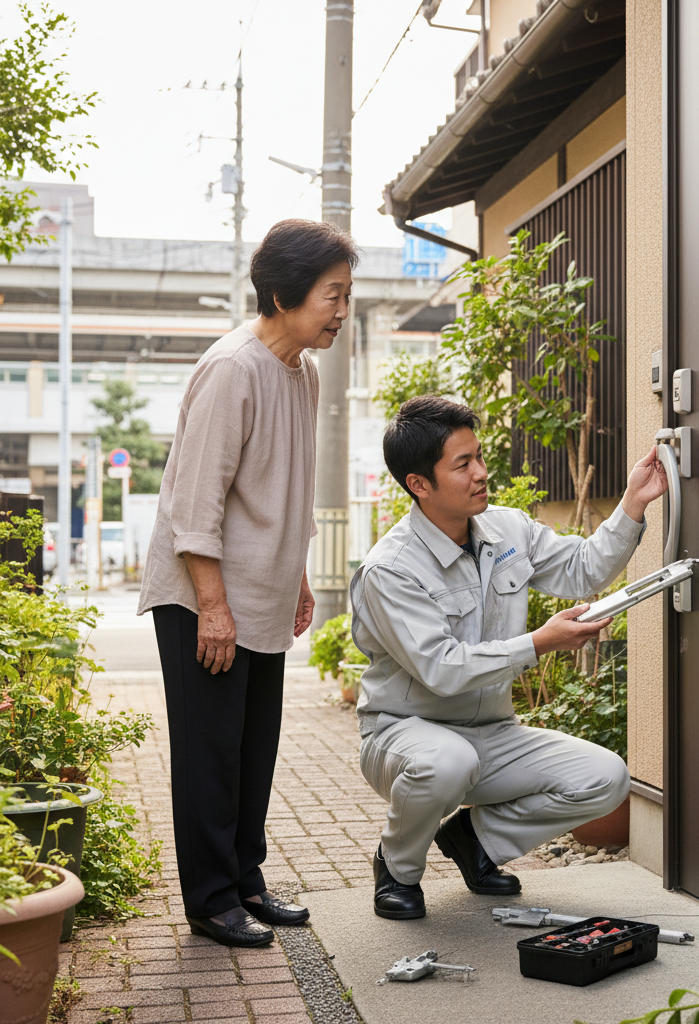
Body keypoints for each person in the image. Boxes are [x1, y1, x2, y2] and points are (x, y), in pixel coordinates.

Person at [351, 396, 668, 919]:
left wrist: (634, 501)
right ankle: (397, 868)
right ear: (419, 484)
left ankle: (474, 841)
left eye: (478, 456)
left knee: (606, 777)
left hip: (491, 734)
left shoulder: (508, 530)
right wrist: (540, 642)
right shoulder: (391, 569)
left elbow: (583, 568)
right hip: (405, 736)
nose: (481, 472)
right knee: (446, 762)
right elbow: (442, 668)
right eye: (462, 464)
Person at [138, 219, 356, 947]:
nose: (342, 311)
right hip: (204, 597)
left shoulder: (302, 371)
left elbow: (285, 486)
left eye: (347, 296)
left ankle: (245, 879)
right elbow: (194, 501)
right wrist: (212, 606)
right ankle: (210, 899)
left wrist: (298, 576)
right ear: (284, 293)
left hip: (260, 592)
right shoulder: (233, 368)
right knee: (210, 752)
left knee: (253, 747)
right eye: (332, 295)